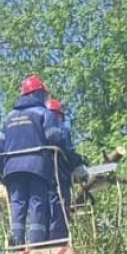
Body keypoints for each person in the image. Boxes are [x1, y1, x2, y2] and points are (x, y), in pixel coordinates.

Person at [0, 75, 58, 245]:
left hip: (12, 170)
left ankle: (17, 245)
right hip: (37, 167)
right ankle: (37, 244)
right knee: (37, 203)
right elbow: (54, 139)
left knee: (17, 205)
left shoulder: (7, 119)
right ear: (37, 94)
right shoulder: (44, 114)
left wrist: (2, 175)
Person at [44, 98, 86, 241]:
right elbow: (68, 149)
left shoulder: (37, 130)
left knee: (42, 209)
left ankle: (42, 242)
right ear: (59, 115)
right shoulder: (61, 129)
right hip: (59, 176)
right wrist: (78, 164)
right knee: (60, 208)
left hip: (39, 178)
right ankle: (58, 241)